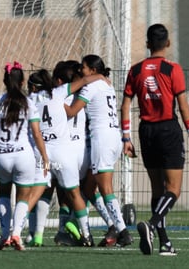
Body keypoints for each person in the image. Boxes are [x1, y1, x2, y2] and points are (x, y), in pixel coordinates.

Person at [120, 23, 189, 256]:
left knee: (157, 189)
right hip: (167, 130)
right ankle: (153, 225)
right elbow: (183, 106)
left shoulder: (135, 70)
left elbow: (125, 105)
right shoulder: (172, 69)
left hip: (146, 131)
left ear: (147, 44)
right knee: (173, 189)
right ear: (168, 43)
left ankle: (164, 243)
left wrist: (126, 137)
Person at [0, 61, 49, 251]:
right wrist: (45, 157)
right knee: (23, 198)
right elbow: (37, 134)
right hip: (24, 157)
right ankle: (16, 234)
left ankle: (5, 235)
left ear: (5, 81)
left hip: (1, 156)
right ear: (22, 82)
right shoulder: (29, 103)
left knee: (4, 194)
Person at [27, 67, 106, 247]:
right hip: (64, 152)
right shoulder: (59, 92)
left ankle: (36, 236)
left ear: (33, 87)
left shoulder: (30, 100)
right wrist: (100, 75)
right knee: (74, 193)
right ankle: (86, 235)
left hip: (43, 153)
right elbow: (84, 81)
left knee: (43, 192)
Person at [64, 54, 133, 248]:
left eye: (84, 68)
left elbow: (71, 111)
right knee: (88, 188)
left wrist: (52, 99)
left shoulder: (91, 86)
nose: (81, 71)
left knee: (106, 189)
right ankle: (113, 226)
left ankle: (123, 231)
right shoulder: (106, 84)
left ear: (93, 71)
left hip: (102, 139)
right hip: (113, 137)